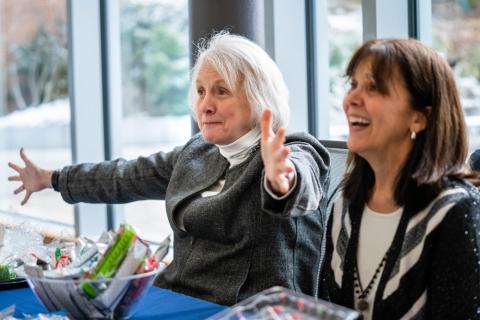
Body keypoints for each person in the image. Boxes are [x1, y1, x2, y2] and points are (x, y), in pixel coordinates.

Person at [8, 32, 330, 306]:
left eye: (222, 91)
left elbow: (297, 183)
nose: (206, 105)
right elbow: (125, 176)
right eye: (201, 91)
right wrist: (52, 179)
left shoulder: (296, 150)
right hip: (174, 296)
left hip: (240, 310)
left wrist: (281, 181)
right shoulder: (198, 153)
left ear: (259, 98)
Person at [320, 39, 480, 319]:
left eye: (372, 88)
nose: (350, 100)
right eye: (352, 85)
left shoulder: (454, 212)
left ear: (419, 118)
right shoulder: (343, 203)